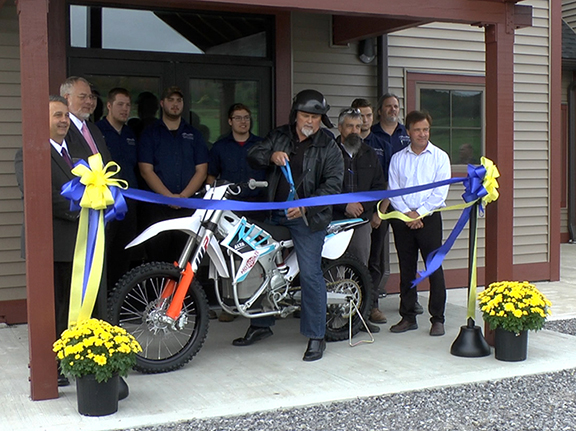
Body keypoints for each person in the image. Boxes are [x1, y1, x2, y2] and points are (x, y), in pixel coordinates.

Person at [235, 89, 343, 362]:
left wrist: (306, 205)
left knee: (309, 274)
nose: (310, 121)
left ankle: (317, 336)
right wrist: (271, 155)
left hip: (309, 219)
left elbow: (333, 185)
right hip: (274, 214)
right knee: (257, 265)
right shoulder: (279, 135)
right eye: (306, 115)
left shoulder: (329, 145)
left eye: (316, 117)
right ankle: (261, 325)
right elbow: (252, 154)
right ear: (295, 114)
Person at [15, 96, 76, 386]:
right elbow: (41, 195)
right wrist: (82, 206)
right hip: (48, 247)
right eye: (57, 116)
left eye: (65, 115)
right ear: (42, 121)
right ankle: (49, 367)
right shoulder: (27, 154)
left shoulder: (74, 154)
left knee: (67, 308)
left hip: (73, 246)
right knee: (49, 311)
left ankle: (67, 361)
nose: (64, 120)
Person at [387, 110, 451, 336]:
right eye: (417, 130)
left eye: (425, 129)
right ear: (408, 132)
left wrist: (420, 213)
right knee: (406, 268)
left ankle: (438, 318)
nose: (422, 134)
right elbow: (393, 190)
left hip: (430, 219)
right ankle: (408, 317)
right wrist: (408, 214)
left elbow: (440, 192)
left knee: (434, 268)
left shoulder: (440, 157)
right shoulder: (397, 158)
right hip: (403, 220)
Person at [207, 103, 266, 322]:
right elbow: (211, 176)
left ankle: (259, 305)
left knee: (258, 259)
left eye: (247, 117)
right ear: (230, 121)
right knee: (229, 258)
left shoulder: (261, 145)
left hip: (258, 210)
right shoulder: (220, 147)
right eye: (238, 118)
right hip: (229, 212)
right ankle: (229, 305)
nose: (243, 121)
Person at [138, 86, 209, 263]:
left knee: (185, 260)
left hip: (188, 208)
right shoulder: (150, 133)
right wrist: (169, 197)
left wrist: (183, 197)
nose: (175, 104)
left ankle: (184, 292)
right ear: (162, 103)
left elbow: (202, 171)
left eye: (179, 100)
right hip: (158, 208)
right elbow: (146, 170)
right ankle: (159, 292)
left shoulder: (194, 134)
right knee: (157, 259)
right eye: (171, 100)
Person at [369, 94, 424, 315]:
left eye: (396, 106)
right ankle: (372, 303)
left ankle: (410, 299)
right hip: (379, 204)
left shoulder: (407, 134)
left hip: (404, 204)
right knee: (375, 255)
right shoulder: (371, 136)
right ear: (380, 110)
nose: (393, 110)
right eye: (388, 107)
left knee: (408, 256)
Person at [333, 107, 386, 333]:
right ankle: (336, 321)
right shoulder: (328, 152)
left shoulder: (369, 153)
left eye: (358, 126)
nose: (355, 130)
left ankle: (360, 318)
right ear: (340, 127)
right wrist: (344, 205)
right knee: (334, 271)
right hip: (334, 222)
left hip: (361, 222)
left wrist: (364, 207)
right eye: (350, 126)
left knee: (360, 270)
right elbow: (320, 188)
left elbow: (379, 186)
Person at [351, 98, 392, 324]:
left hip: (378, 213)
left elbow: (388, 181)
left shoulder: (381, 145)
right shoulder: (344, 144)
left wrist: (380, 212)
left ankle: (372, 305)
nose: (364, 120)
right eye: (359, 115)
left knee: (374, 260)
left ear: (372, 117)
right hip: (350, 214)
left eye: (367, 115)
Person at [96, 88, 141, 289]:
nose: (125, 109)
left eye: (128, 105)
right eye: (120, 104)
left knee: (125, 252)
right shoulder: (97, 132)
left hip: (130, 203)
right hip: (106, 203)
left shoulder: (131, 134)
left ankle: (118, 299)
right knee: (104, 252)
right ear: (109, 105)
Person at [60, 76, 112, 164]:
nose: (89, 102)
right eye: (82, 97)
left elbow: (107, 161)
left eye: (91, 97)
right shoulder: (62, 129)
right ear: (67, 98)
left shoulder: (94, 129)